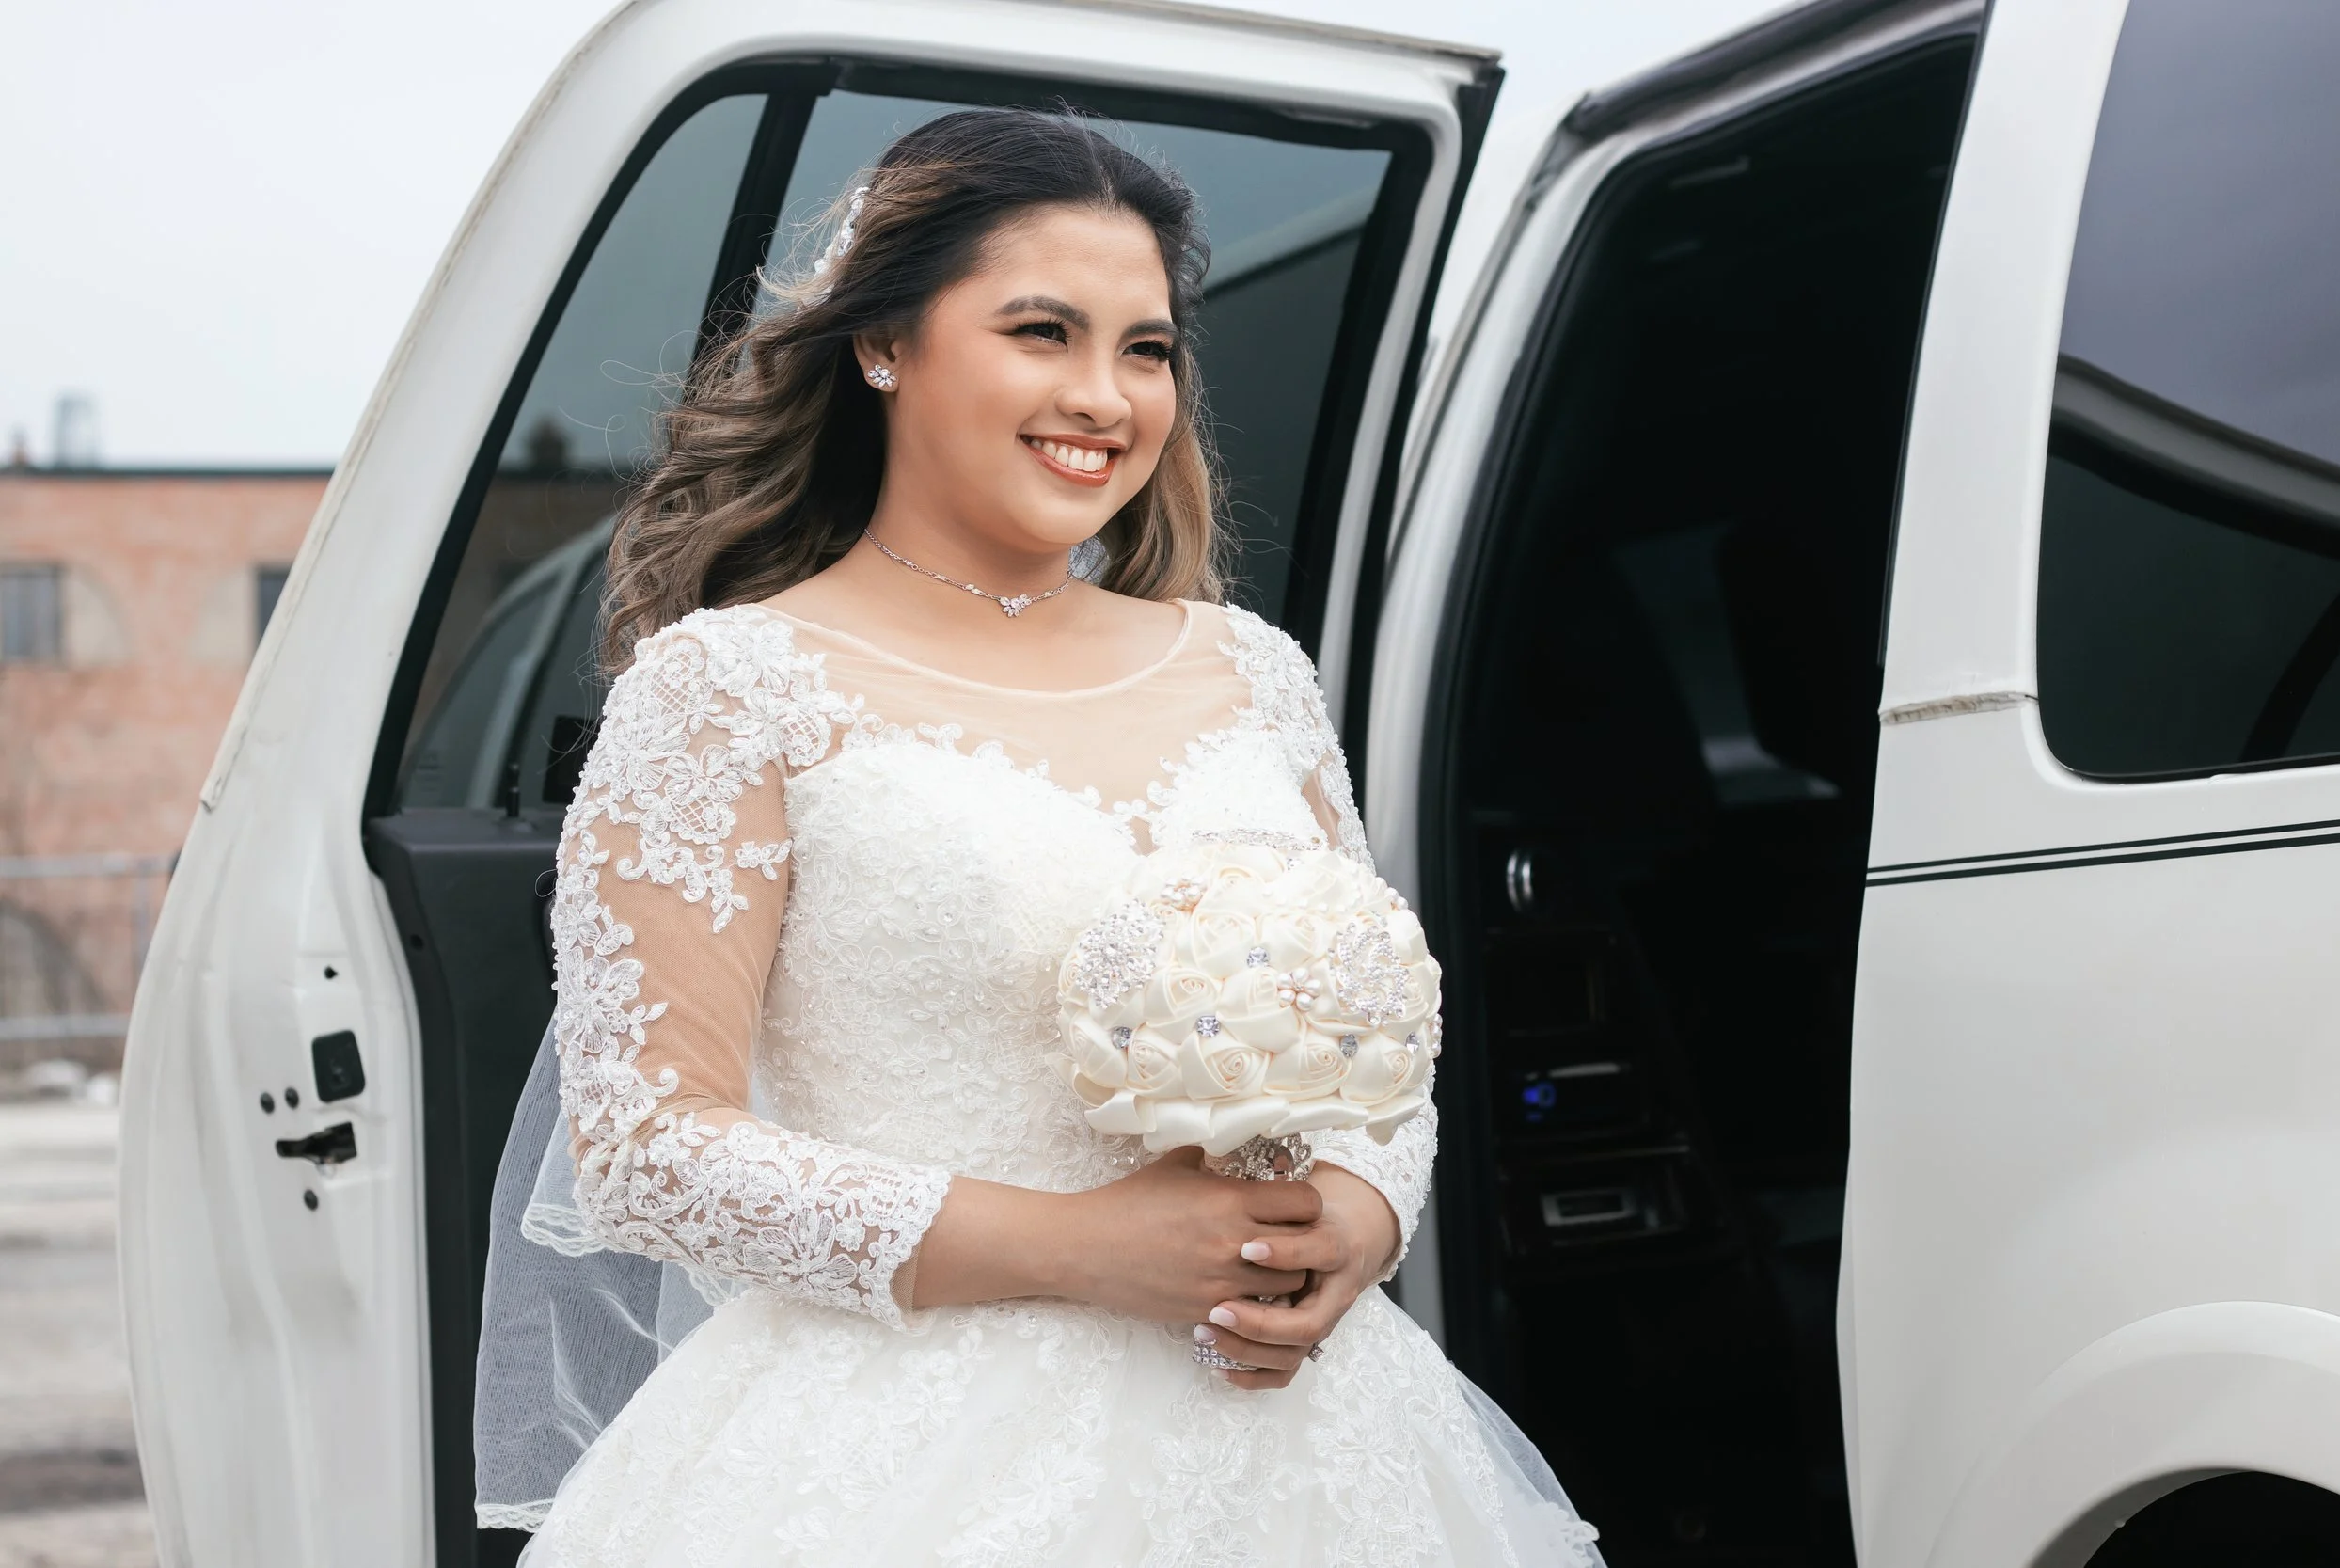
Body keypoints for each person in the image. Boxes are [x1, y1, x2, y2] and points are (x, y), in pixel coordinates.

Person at [500, 106, 1602, 1565]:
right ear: (882, 342)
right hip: (896, 1468)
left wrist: (1360, 1210)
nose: (1106, 396)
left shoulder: (1251, 670)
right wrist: (1091, 1247)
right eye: (1042, 331)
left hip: (1308, 1451)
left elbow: (1376, 1034)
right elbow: (648, 1149)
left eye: (1145, 348)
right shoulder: (727, 688)